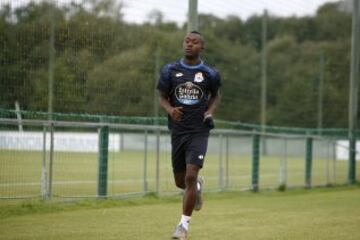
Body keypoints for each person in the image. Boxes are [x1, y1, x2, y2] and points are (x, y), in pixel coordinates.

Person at [157, 31, 221, 240]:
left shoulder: (209, 73)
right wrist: (170, 110)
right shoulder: (169, 70)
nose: (189, 45)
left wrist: (209, 112)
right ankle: (198, 188)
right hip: (178, 131)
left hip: (199, 131)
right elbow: (162, 97)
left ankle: (182, 227)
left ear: (202, 47)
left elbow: (215, 96)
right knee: (180, 181)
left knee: (190, 175)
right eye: (187, 41)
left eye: (195, 42)